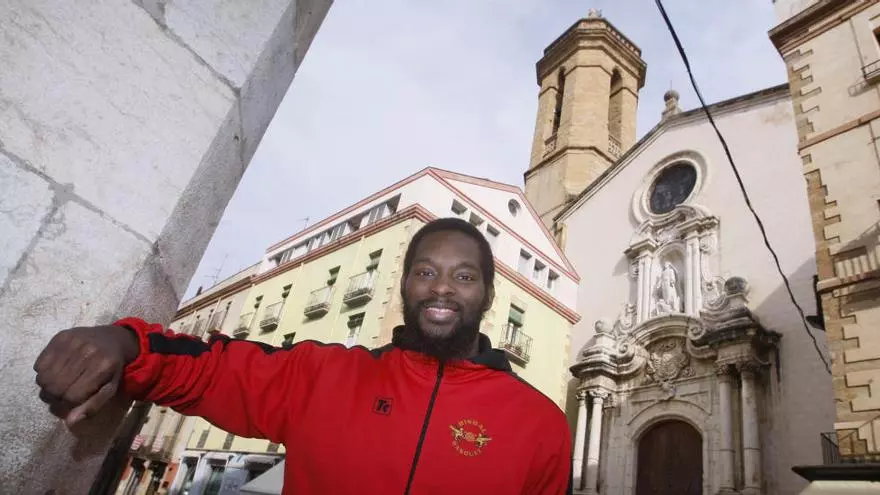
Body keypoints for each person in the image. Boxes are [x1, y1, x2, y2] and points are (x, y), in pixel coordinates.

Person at [33, 218, 573, 494]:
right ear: (405, 285)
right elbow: (211, 367)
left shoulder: (541, 425)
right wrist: (126, 345)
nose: (442, 287)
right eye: (425, 271)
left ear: (488, 294)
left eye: (464, 276)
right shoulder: (324, 375)